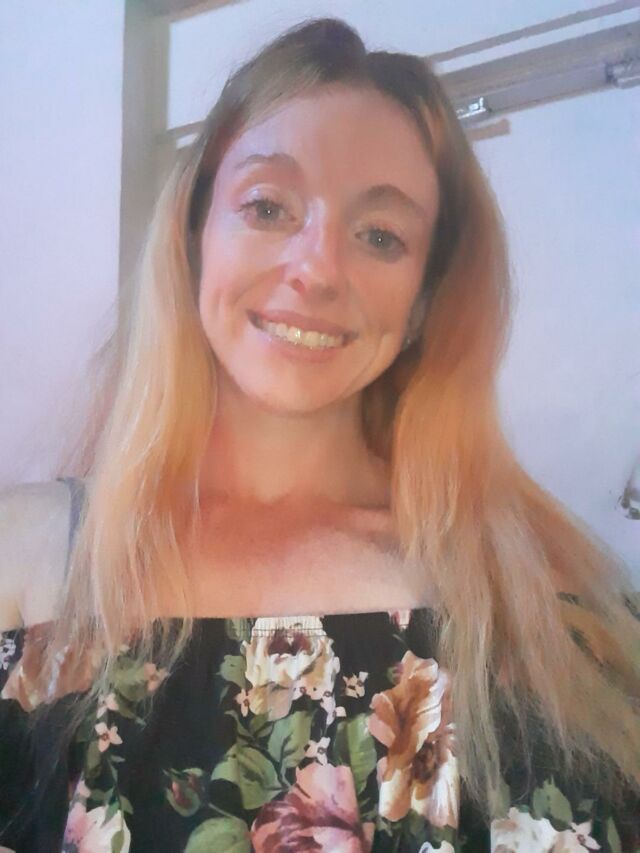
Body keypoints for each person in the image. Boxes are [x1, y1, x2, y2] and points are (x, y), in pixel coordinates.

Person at [0, 16, 638, 852]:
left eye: (380, 235)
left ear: (424, 298)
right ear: (193, 236)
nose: (317, 268)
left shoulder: (553, 605)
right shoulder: (24, 559)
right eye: (268, 206)